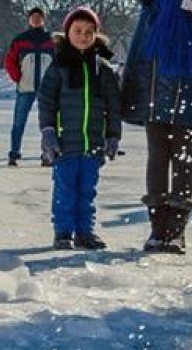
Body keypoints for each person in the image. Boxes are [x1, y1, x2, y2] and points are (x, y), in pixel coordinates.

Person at [120, 0, 192, 255]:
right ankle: (157, 229)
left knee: (183, 157)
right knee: (158, 157)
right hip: (153, 83)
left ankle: (176, 231)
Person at [37, 6, 120, 250]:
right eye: (78, 31)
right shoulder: (59, 66)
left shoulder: (102, 68)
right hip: (65, 143)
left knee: (87, 192)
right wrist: (48, 131)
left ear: (96, 34)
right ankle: (63, 232)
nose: (83, 36)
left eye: (89, 31)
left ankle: (85, 232)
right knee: (65, 190)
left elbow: (113, 106)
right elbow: (46, 101)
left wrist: (113, 136)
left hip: (93, 143)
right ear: (67, 33)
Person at [5, 6, 55, 167]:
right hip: (25, 88)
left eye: (39, 17)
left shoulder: (52, 40)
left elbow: (59, 62)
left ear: (43, 20)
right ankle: (14, 153)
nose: (36, 19)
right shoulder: (20, 39)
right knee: (19, 122)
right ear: (28, 20)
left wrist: (55, 80)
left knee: (47, 123)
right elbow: (9, 61)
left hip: (46, 89)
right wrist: (18, 78)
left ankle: (46, 154)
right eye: (33, 17)